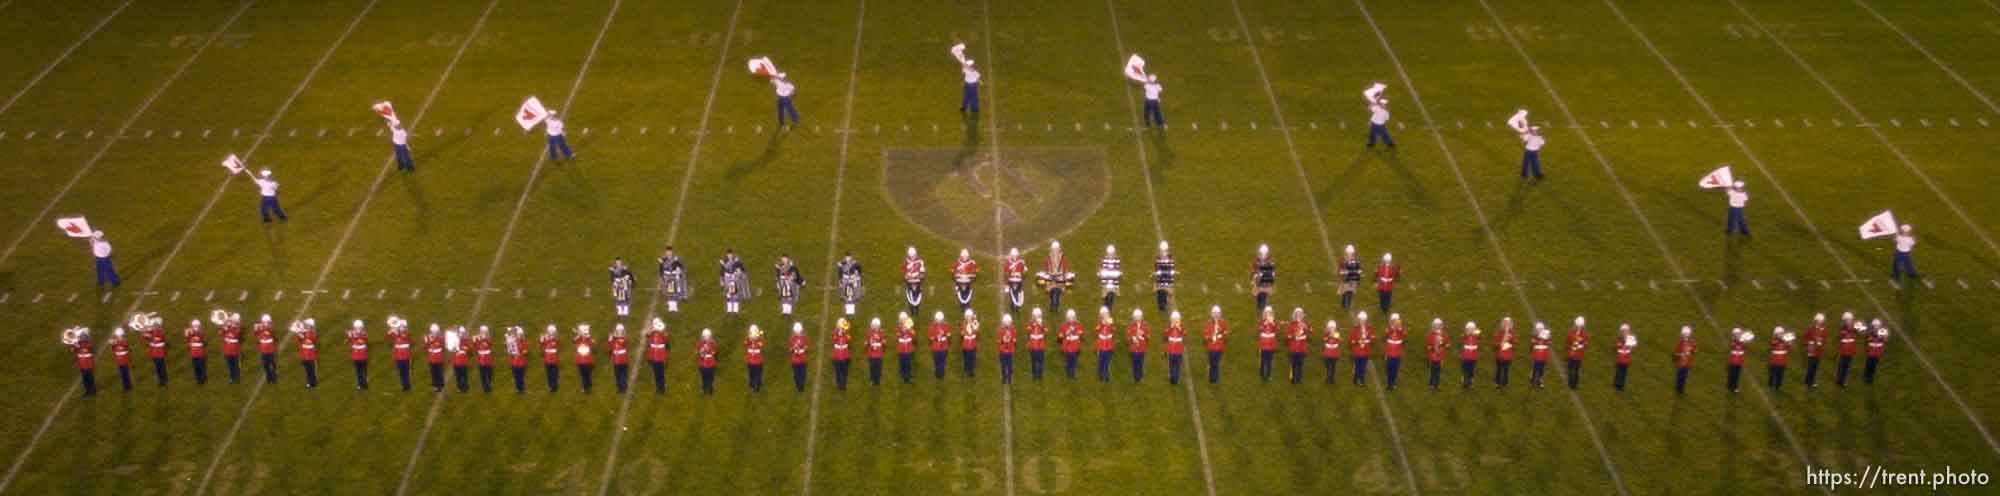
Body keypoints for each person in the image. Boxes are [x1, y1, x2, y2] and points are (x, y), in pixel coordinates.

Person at [1037, 241, 1074, 310]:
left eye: (1056, 249)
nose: (1055, 251)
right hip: (1051, 280)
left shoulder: (1062, 259)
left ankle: (1055, 305)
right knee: (1051, 294)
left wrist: (1066, 276)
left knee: (1057, 293)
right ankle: (1052, 303)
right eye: (1053, 249)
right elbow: (1045, 269)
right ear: (1051, 250)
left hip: (1059, 280)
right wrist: (1045, 275)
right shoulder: (1048, 259)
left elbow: (1065, 270)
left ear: (1059, 249)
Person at [659, 246, 688, 313]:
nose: (668, 253)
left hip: (674, 276)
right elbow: (661, 269)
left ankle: (674, 306)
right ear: (665, 252)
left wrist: (680, 271)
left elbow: (681, 266)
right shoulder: (663, 259)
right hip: (668, 276)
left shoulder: (675, 259)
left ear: (672, 252)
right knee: (670, 291)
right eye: (667, 251)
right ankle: (671, 307)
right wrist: (662, 276)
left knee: (676, 291)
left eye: (669, 251)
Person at [1802, 313, 1827, 388]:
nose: (1821, 322)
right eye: (1820, 321)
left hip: (1818, 351)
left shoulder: (1824, 330)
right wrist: (1809, 344)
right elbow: (1805, 337)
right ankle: (1809, 381)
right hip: (1812, 350)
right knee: (1811, 366)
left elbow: (1824, 339)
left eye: (1822, 321)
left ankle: (1810, 380)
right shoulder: (1811, 329)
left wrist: (1821, 341)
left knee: (1815, 367)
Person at [68, 328, 96, 396]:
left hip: (88, 364)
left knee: (90, 377)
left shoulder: (88, 344)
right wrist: (72, 344)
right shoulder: (78, 344)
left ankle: (93, 390)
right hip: (82, 365)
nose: (81, 338)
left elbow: (91, 349)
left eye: (82, 337)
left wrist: (77, 345)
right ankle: (88, 390)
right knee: (85, 378)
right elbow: (71, 350)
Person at [1350, 312, 1375, 387]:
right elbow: (1351, 340)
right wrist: (1358, 341)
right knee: (1358, 366)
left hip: (1365, 351)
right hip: (1357, 351)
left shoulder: (1369, 329)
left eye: (1364, 320)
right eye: (1361, 320)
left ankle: (1361, 379)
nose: (1362, 321)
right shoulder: (1355, 329)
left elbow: (1373, 339)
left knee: (1363, 367)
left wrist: (1368, 339)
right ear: (1359, 320)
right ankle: (1356, 379)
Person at [1204, 306, 1228, 384]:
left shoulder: (1223, 323)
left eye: (1218, 313)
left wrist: (1220, 333)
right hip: (1211, 347)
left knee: (1216, 363)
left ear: (1220, 314)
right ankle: (1211, 377)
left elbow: (1226, 333)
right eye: (1214, 313)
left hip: (1219, 347)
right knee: (1212, 362)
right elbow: (1205, 336)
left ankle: (1215, 378)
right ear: (1211, 314)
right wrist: (1211, 337)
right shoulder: (1208, 323)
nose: (1216, 315)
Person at [720, 250, 748, 314]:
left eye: (730, 254)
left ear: (732, 254)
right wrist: (721, 279)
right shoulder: (725, 261)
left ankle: (735, 309)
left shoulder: (735, 260)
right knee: (729, 294)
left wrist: (742, 272)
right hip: (727, 277)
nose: (729, 255)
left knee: (734, 293)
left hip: (733, 277)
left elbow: (742, 267)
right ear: (727, 255)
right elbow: (722, 270)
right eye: (728, 254)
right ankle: (730, 309)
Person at [1288, 309, 1313, 384]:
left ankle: (1298, 379)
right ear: (1294, 316)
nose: (1299, 316)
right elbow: (1288, 336)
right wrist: (1294, 335)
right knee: (1293, 364)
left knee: (1300, 365)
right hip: (1293, 348)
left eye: (1300, 314)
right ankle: (1293, 379)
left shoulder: (1306, 324)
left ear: (1303, 316)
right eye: (1297, 314)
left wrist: (1306, 328)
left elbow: (1311, 332)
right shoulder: (1292, 324)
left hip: (1302, 348)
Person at [142, 316, 168, 386]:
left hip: (160, 353)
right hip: (154, 353)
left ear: (159, 325)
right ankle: (162, 378)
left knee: (161, 366)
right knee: (157, 367)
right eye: (154, 324)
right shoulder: (153, 331)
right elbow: (145, 336)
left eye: (155, 324)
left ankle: (163, 380)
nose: (154, 326)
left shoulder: (160, 332)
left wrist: (147, 333)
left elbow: (154, 338)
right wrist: (144, 331)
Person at [254, 315, 280, 384]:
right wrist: (256, 328)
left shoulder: (270, 327)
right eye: (264, 322)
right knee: (265, 365)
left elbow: (271, 332)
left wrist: (263, 327)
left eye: (266, 322)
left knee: (272, 364)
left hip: (271, 349)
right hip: (263, 349)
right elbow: (256, 334)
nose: (265, 323)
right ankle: (269, 378)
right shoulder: (261, 328)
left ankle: (274, 377)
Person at [1382, 314, 1406, 390]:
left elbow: (1404, 334)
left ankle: (1393, 383)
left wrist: (1399, 328)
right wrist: (1393, 328)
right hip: (1389, 353)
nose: (1396, 323)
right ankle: (1389, 384)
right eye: (1394, 321)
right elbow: (1386, 334)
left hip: (1397, 354)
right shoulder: (1389, 329)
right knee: (1389, 369)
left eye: (1397, 321)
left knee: (1395, 369)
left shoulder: (1401, 329)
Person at [645, 319, 669, 393]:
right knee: (656, 374)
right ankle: (658, 387)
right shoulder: (652, 333)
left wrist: (660, 330)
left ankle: (662, 388)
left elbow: (666, 339)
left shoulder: (662, 334)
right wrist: (653, 330)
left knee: (661, 374)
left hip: (661, 358)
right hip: (654, 357)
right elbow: (647, 334)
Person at [386, 317, 411, 390]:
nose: (401, 328)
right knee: (400, 371)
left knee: (406, 372)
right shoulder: (396, 333)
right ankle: (403, 385)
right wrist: (390, 331)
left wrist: (396, 332)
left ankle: (407, 385)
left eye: (403, 327)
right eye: (401, 327)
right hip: (398, 356)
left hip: (406, 356)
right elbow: (387, 338)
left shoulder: (406, 334)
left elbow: (403, 337)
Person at [1256, 307, 1279, 382]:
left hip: (1271, 344)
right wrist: (1265, 324)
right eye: (1266, 313)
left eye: (1270, 313)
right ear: (1264, 314)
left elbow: (1277, 330)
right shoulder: (1261, 321)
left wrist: (1272, 323)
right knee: (1263, 361)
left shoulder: (1274, 322)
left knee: (1270, 361)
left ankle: (1269, 375)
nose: (1268, 315)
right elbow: (1259, 329)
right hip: (1263, 344)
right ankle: (1262, 375)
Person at [1094, 308, 1118, 382]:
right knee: (1101, 362)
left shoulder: (1111, 321)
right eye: (1103, 314)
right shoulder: (1099, 322)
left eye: (1106, 314)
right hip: (1101, 345)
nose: (1105, 316)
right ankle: (1100, 375)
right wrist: (1102, 324)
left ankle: (1107, 375)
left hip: (1109, 345)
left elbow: (1114, 330)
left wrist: (1109, 325)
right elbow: (1096, 330)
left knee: (1107, 362)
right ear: (1101, 315)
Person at [295, 319, 320, 389]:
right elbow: (298, 340)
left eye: (307, 325)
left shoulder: (313, 333)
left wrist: (300, 333)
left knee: (312, 370)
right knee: (307, 370)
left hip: (311, 355)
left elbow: (309, 339)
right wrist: (298, 333)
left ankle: (314, 383)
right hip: (304, 354)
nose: (306, 326)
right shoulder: (305, 332)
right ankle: (309, 382)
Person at [1126, 309, 1149, 383]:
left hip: (1142, 348)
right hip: (1134, 349)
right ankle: (1136, 377)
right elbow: (1127, 338)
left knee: (1141, 362)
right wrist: (1133, 338)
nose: (1138, 319)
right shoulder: (1130, 326)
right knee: (1135, 363)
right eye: (1136, 317)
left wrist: (1143, 334)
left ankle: (1140, 375)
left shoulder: (1145, 325)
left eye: (1139, 317)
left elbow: (1148, 336)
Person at [1152, 242, 1176, 312]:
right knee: (1161, 291)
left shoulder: (1170, 258)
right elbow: (1157, 269)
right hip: (1160, 278)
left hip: (1167, 277)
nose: (1164, 253)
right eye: (1162, 251)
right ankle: (1161, 305)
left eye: (1165, 251)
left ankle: (1165, 302)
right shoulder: (1158, 259)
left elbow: (1171, 268)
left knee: (1166, 290)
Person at [1060, 309, 1084, 380]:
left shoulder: (1078, 325)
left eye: (1072, 317)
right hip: (1067, 346)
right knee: (1068, 361)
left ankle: (1073, 374)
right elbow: (1060, 336)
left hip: (1075, 346)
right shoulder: (1064, 326)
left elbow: (1081, 332)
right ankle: (1068, 373)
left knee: (1074, 361)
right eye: (1069, 317)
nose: (1071, 319)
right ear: (1067, 318)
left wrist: (1076, 331)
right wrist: (1065, 333)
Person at [220, 312, 244, 384]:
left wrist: (228, 327)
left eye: (233, 321)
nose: (231, 322)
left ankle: (237, 378)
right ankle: (232, 378)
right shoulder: (227, 328)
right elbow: (221, 333)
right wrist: (224, 326)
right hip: (227, 350)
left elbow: (237, 334)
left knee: (236, 365)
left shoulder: (237, 328)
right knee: (230, 365)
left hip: (235, 350)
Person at [1250, 245, 1276, 311]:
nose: (1262, 256)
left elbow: (1272, 274)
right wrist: (1254, 281)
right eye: (1261, 254)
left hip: (1266, 284)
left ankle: (1264, 309)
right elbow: (1253, 272)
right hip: (1258, 284)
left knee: (1265, 301)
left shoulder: (1270, 262)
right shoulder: (1256, 261)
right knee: (1259, 301)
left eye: (1264, 254)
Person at [1565, 317, 1588, 390]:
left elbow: (1584, 344)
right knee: (1573, 370)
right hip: (1575, 355)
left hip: (1576, 355)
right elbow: (1568, 343)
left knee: (1574, 370)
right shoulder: (1583, 334)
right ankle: (1573, 384)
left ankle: (1573, 384)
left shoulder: (1575, 333)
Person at [1164, 311, 1186, 385]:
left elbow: (1184, 334)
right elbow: (1165, 335)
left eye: (1177, 319)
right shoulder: (1169, 326)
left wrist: (1179, 328)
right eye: (1174, 319)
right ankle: (1172, 376)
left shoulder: (1181, 326)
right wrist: (1171, 327)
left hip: (1179, 350)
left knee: (1177, 365)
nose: (1175, 320)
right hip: (1171, 350)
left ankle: (1175, 379)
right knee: (1171, 365)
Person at [1672, 326, 1696, 395]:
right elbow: (1675, 354)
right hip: (1681, 364)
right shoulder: (1680, 343)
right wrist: (1681, 354)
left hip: (1687, 364)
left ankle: (1681, 389)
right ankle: (1678, 389)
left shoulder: (1691, 343)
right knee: (1679, 377)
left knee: (1684, 377)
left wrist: (1691, 350)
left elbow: (1693, 351)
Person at [903, 247, 927, 317]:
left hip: (917, 281)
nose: (913, 257)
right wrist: (906, 276)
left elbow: (922, 271)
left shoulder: (920, 261)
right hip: (909, 281)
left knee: (917, 295)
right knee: (910, 295)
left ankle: (917, 310)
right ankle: (911, 310)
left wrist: (920, 276)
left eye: (914, 255)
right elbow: (904, 270)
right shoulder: (906, 262)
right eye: (911, 256)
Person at [1726, 327, 1752, 393]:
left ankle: (1734, 387)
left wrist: (1746, 341)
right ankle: (1730, 386)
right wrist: (1741, 341)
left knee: (1736, 375)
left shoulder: (1742, 343)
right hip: (1732, 362)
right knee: (1731, 374)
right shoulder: (1733, 342)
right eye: (1736, 334)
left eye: (1738, 334)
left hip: (1739, 363)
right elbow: (1733, 345)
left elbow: (1745, 346)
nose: (1738, 335)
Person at [1097, 245, 1122, 310]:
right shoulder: (1104, 260)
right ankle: (1105, 306)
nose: (1111, 255)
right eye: (1109, 254)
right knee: (1106, 297)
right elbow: (1103, 275)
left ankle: (1109, 307)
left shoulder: (1116, 260)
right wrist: (1104, 287)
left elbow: (1116, 273)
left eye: (1112, 254)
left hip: (1112, 282)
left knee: (1111, 297)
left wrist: (1116, 287)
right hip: (1106, 281)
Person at [1612, 324, 1636, 392]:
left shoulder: (1630, 338)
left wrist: (1629, 342)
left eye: (1626, 331)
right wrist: (1625, 342)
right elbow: (1618, 346)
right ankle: (1616, 385)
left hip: (1626, 359)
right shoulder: (1620, 339)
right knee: (1619, 372)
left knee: (1623, 373)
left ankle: (1621, 385)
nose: (1625, 332)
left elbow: (1633, 345)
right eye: (1624, 331)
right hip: (1620, 358)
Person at [1003, 248, 1028, 313]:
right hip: (1011, 281)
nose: (1014, 257)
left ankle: (1017, 307)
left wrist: (1023, 272)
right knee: (1012, 295)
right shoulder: (1008, 263)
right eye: (1013, 255)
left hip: (1019, 281)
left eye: (1015, 255)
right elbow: (1006, 274)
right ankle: (1013, 307)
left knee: (1017, 294)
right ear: (1011, 256)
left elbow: (1024, 273)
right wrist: (1006, 285)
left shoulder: (1021, 262)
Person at [1863, 319, 1888, 384]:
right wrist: (1875, 336)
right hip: (1871, 351)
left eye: (1877, 326)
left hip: (1878, 351)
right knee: (1869, 364)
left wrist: (1883, 337)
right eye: (1875, 326)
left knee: (1874, 365)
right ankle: (1866, 376)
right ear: (1873, 326)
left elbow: (1885, 340)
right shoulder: (1870, 332)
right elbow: (1868, 339)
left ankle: (1870, 377)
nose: (1876, 327)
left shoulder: (1882, 332)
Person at [1027, 309, 1049, 381]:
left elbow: (1046, 331)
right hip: (1033, 346)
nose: (1036, 318)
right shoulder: (1031, 323)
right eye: (1035, 316)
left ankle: (1040, 374)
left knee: (1040, 362)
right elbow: (1028, 330)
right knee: (1033, 362)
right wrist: (1034, 325)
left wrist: (1041, 325)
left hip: (1040, 346)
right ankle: (1034, 375)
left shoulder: (1042, 322)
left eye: (1038, 316)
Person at [929, 312, 952, 380]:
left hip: (944, 346)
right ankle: (937, 371)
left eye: (940, 320)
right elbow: (930, 337)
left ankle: (941, 372)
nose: (939, 321)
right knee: (936, 360)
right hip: (935, 347)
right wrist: (936, 337)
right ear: (935, 319)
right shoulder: (932, 327)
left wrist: (944, 334)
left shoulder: (946, 326)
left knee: (942, 360)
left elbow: (949, 334)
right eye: (937, 319)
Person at [1493, 318, 1515, 389]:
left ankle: (1505, 382)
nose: (1507, 325)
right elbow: (1495, 343)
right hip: (1499, 355)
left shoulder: (1512, 333)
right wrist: (1500, 344)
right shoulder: (1499, 332)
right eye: (1505, 323)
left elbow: (1515, 342)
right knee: (1499, 369)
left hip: (1508, 355)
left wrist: (1510, 343)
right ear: (1502, 324)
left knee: (1506, 370)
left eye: (1508, 323)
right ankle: (1497, 382)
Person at [1425, 318, 1447, 390]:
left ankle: (1437, 384)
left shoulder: (1444, 335)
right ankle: (1431, 384)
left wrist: (1442, 346)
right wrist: (1433, 349)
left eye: (1439, 325)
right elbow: (1428, 345)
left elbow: (1448, 344)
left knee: (1438, 371)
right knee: (1432, 370)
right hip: (1433, 356)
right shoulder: (1431, 335)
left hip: (1440, 356)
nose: (1437, 327)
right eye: (1435, 325)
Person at [832, 318, 854, 390]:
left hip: (845, 356)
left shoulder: (846, 333)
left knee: (844, 372)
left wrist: (845, 332)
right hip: (837, 356)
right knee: (838, 372)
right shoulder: (835, 333)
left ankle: (844, 385)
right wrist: (839, 333)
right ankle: (839, 385)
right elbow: (834, 339)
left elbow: (849, 339)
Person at [574, 324, 597, 393]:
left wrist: (584, 336)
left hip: (585, 361)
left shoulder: (588, 339)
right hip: (581, 361)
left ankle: (586, 388)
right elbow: (573, 340)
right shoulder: (579, 339)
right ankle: (588, 385)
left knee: (585, 375)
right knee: (585, 375)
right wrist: (580, 335)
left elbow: (593, 346)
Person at [1767, 326, 1791, 390]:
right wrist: (1780, 339)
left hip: (1782, 362)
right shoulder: (1774, 340)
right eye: (1779, 334)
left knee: (1780, 374)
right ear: (1775, 334)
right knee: (1773, 374)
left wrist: (1788, 341)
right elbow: (1773, 343)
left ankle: (1778, 386)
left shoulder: (1785, 341)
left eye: (1781, 333)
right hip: (1774, 361)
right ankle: (1770, 385)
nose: (1780, 335)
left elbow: (1789, 345)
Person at [1460, 322, 1482, 389]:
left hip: (1473, 357)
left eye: (1472, 329)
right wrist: (1467, 334)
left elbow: (1480, 337)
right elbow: (1461, 340)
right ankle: (1464, 382)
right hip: (1465, 357)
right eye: (1469, 329)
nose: (1471, 331)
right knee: (1465, 370)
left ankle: (1471, 383)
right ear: (1466, 330)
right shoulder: (1464, 336)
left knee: (1471, 370)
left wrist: (1476, 333)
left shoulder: (1476, 336)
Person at [346, 320, 368, 390]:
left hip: (363, 355)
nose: (358, 329)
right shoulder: (352, 333)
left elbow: (362, 339)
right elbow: (349, 341)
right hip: (355, 355)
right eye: (356, 327)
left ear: (362, 327)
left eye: (359, 327)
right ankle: (359, 384)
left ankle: (364, 384)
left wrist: (354, 335)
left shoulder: (363, 333)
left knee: (363, 371)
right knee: (358, 371)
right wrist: (349, 336)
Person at [507, 326, 530, 393]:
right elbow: (510, 352)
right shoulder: (512, 342)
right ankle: (519, 388)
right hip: (515, 361)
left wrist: (523, 351)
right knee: (516, 376)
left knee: (520, 376)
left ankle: (521, 388)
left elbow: (525, 351)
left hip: (520, 361)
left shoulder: (522, 342)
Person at [1529, 322, 1552, 388]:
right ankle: (1532, 381)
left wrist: (1547, 339)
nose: (1539, 330)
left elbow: (1549, 344)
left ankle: (1539, 381)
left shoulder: (1546, 336)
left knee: (1541, 369)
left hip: (1543, 356)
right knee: (1535, 369)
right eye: (1538, 329)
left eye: (1540, 329)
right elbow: (1532, 346)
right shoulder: (1535, 337)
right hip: (1536, 356)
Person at [896, 313, 917, 384]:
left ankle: (908, 376)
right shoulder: (898, 327)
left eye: (905, 319)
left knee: (908, 363)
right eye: (902, 319)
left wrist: (909, 329)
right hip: (901, 349)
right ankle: (903, 374)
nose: (903, 320)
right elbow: (898, 335)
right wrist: (902, 331)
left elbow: (913, 335)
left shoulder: (909, 326)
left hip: (908, 348)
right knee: (902, 362)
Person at [865, 317, 887, 386]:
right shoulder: (869, 333)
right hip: (872, 354)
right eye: (874, 325)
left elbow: (885, 343)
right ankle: (872, 379)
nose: (875, 327)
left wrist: (880, 339)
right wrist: (868, 342)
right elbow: (866, 343)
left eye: (877, 326)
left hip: (879, 354)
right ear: (872, 326)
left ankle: (877, 380)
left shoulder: (882, 333)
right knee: (872, 367)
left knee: (878, 367)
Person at [610, 324, 631, 394]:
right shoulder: (614, 338)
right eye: (618, 331)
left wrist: (614, 337)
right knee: (617, 375)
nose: (619, 332)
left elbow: (621, 342)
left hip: (623, 360)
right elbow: (610, 347)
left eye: (620, 331)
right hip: (616, 360)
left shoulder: (624, 338)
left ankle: (623, 388)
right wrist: (610, 340)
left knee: (623, 375)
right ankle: (619, 387)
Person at [1338, 245, 1361, 310]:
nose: (1350, 255)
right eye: (1349, 253)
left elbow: (1358, 269)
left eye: (1351, 254)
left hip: (1352, 279)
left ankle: (1347, 305)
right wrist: (1342, 274)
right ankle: (1344, 304)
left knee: (1350, 293)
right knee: (1344, 293)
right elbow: (1340, 269)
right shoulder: (1343, 261)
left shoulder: (1355, 261)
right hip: (1345, 280)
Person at [185, 320, 208, 385]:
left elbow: (201, 337)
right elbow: (188, 341)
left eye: (197, 326)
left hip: (200, 352)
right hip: (193, 352)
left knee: (201, 365)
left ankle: (202, 378)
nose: (195, 327)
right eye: (194, 326)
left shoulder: (200, 332)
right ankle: (197, 378)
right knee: (195, 366)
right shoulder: (191, 332)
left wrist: (192, 333)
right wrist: (187, 334)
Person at [540, 325, 562, 392]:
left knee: (554, 374)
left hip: (553, 360)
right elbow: (542, 347)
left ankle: (554, 387)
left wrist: (548, 339)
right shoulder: (546, 338)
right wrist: (542, 340)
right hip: (548, 359)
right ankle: (550, 386)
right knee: (549, 374)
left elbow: (555, 345)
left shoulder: (555, 339)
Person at [789, 323, 810, 392]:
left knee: (803, 374)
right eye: (796, 331)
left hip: (802, 358)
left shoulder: (804, 338)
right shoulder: (792, 339)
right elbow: (790, 349)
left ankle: (801, 386)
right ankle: (798, 385)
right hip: (795, 359)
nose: (798, 332)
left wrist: (802, 348)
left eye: (799, 331)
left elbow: (807, 346)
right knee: (796, 374)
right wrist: (794, 348)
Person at [474, 326, 495, 393]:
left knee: (489, 373)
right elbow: (475, 346)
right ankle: (485, 388)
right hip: (480, 360)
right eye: (482, 331)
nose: (483, 332)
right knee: (482, 375)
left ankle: (489, 383)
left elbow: (490, 343)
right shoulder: (477, 338)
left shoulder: (488, 338)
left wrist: (484, 339)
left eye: (484, 331)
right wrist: (476, 340)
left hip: (488, 359)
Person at [744, 325, 765, 392]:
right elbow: (745, 343)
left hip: (758, 361)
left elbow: (761, 345)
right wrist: (750, 339)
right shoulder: (748, 339)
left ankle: (757, 385)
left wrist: (756, 339)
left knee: (758, 374)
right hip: (751, 361)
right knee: (752, 374)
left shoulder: (759, 340)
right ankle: (753, 385)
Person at [996, 314, 1016, 385]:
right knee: (1003, 365)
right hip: (1003, 351)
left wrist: (1010, 340)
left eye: (1008, 322)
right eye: (1006, 322)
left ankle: (1010, 378)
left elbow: (1014, 339)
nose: (1007, 323)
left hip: (1010, 350)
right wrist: (1003, 340)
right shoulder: (1001, 330)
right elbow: (998, 341)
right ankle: (1004, 378)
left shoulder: (1012, 329)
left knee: (1010, 365)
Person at [697, 329, 718, 394]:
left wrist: (708, 350)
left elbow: (714, 352)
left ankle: (710, 388)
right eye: (705, 336)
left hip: (711, 364)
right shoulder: (700, 343)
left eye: (707, 336)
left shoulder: (713, 343)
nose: (706, 338)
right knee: (704, 377)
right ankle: (704, 389)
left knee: (710, 377)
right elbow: (698, 352)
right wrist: (702, 351)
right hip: (702, 364)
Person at [449, 326, 469, 392]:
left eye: (463, 333)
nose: (462, 334)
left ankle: (465, 387)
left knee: (464, 375)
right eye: (461, 333)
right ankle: (460, 387)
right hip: (456, 362)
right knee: (458, 376)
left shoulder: (466, 341)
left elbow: (469, 351)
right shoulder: (455, 341)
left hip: (463, 362)